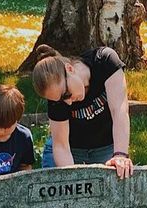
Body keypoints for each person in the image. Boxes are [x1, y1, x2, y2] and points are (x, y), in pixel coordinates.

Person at [31, 45, 134, 179]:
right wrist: (73, 178)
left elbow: (119, 110)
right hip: (71, 150)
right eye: (61, 100)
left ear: (69, 69)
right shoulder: (57, 97)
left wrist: (120, 155)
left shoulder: (104, 61)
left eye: (66, 94)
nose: (68, 102)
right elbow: (61, 146)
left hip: (105, 146)